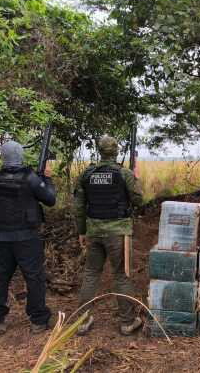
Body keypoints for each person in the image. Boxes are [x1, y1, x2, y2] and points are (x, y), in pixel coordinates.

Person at [0, 140, 56, 335]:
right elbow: (50, 199)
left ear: (2, 157)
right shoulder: (31, 179)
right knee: (34, 278)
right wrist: (47, 179)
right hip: (27, 239)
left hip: (0, 239)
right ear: (21, 156)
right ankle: (38, 320)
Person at [74, 135, 143, 336]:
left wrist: (81, 231)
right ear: (116, 152)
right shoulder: (124, 174)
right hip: (118, 233)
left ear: (99, 151)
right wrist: (135, 179)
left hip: (94, 231)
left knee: (91, 274)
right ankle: (127, 322)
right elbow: (138, 200)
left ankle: (81, 321)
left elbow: (78, 206)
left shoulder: (87, 174)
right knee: (121, 275)